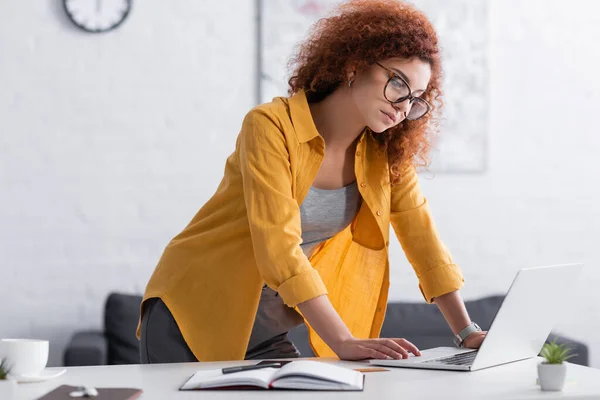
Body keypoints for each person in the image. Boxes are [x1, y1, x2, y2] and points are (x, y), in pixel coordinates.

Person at [137, 0, 487, 363]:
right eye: (398, 82)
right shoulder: (271, 126)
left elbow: (423, 238)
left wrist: (467, 333)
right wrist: (343, 341)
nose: (403, 105)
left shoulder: (382, 155)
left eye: (415, 98)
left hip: (264, 327)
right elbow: (278, 246)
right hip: (190, 312)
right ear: (355, 65)